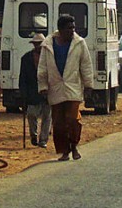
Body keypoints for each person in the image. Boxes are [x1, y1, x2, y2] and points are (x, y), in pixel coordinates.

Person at [37, 14, 93, 161]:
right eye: (69, 28)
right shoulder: (48, 45)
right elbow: (42, 68)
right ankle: (64, 151)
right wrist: (42, 86)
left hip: (73, 87)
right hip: (55, 89)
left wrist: (88, 85)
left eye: (73, 28)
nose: (72, 31)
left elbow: (86, 65)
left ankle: (74, 146)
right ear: (61, 29)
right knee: (59, 123)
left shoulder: (79, 43)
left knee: (73, 120)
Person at [19, 33, 51, 148]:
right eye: (36, 44)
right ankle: (34, 135)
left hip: (47, 92)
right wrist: (23, 94)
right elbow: (22, 78)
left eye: (40, 44)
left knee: (47, 117)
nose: (38, 46)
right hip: (32, 92)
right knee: (31, 114)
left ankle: (43, 140)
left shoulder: (50, 58)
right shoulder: (26, 58)